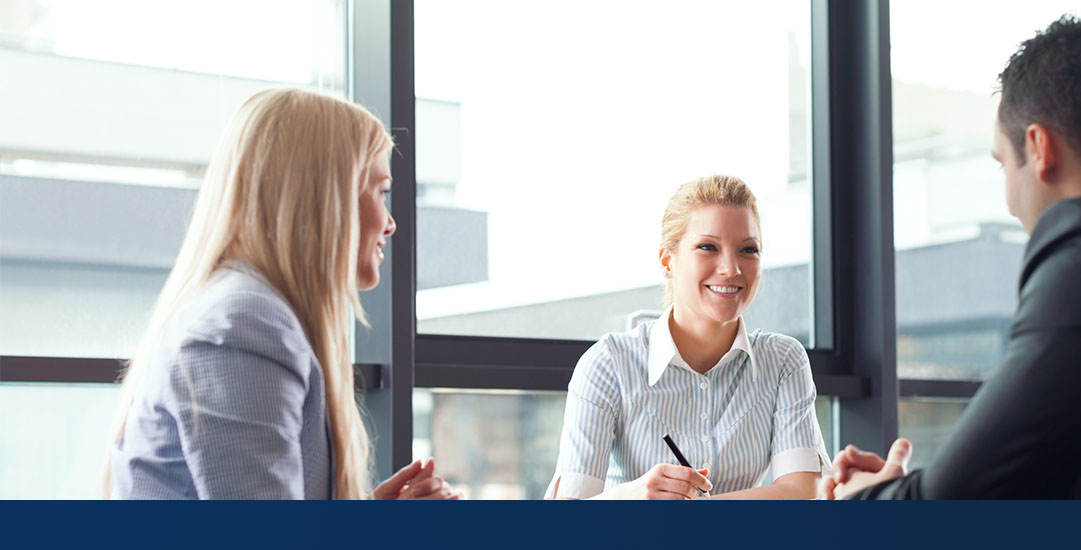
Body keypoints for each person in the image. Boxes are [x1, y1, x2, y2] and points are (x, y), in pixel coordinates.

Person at [822, 16, 1081, 499]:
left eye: (1002, 163)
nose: (1007, 197)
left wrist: (863, 501)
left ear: (1040, 148)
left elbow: (959, 502)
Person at [103, 88, 460, 500]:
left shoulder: (254, 314)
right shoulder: (244, 324)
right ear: (330, 197)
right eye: (381, 192)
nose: (391, 223)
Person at [546, 175, 830, 500]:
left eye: (748, 250)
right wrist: (634, 497)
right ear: (668, 261)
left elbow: (803, 495)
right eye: (708, 247)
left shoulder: (783, 361)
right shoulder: (608, 364)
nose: (731, 268)